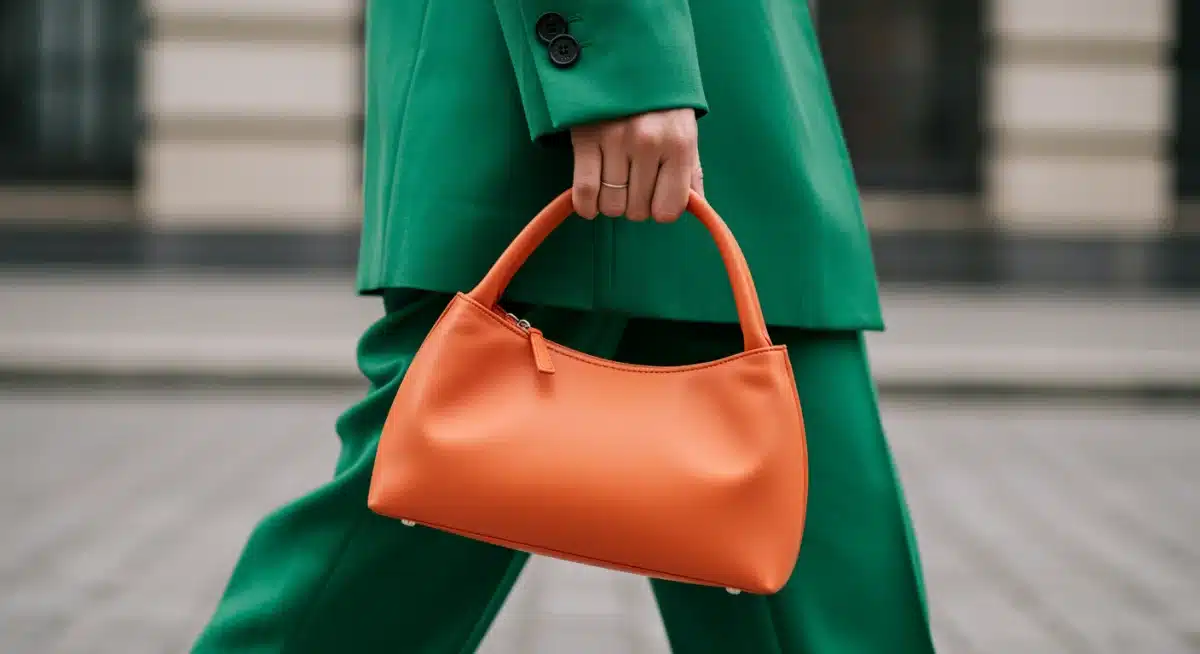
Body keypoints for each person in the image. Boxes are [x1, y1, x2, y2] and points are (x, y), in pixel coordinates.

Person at [190, 2, 937, 652]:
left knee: (824, 573)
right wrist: (619, 61)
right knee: (386, 559)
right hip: (596, 112)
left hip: (714, 106)